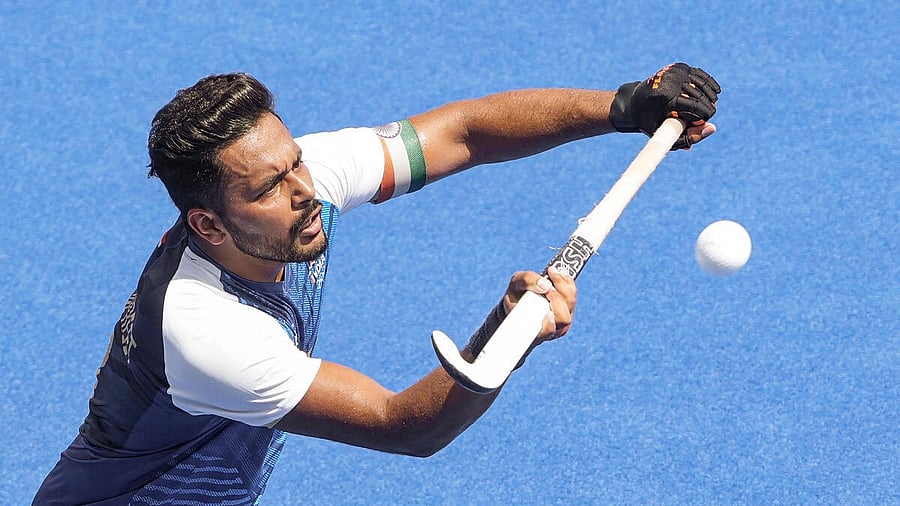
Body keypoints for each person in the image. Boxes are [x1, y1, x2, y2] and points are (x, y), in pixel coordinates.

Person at [33, 62, 720, 504]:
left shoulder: (299, 188)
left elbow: (466, 133)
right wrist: (510, 336)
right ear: (208, 225)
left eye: (295, 162)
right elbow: (403, 427)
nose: (305, 191)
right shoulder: (206, 331)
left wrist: (624, 105)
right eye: (270, 187)